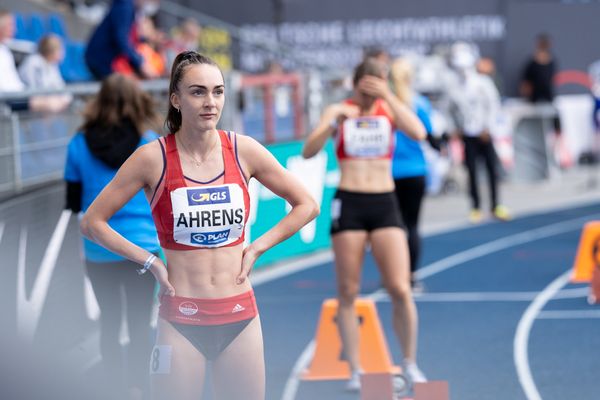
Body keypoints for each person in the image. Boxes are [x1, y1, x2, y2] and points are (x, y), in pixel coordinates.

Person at [80, 51, 319, 400]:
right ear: (175, 99)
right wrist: (151, 262)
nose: (211, 102)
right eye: (198, 92)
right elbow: (92, 223)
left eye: (218, 91)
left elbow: (307, 204)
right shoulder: (153, 157)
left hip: (240, 315)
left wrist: (257, 247)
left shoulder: (243, 150)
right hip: (181, 318)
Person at [302, 58, 427, 390]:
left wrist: (389, 96)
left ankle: (410, 363)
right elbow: (308, 151)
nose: (372, 92)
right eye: (367, 85)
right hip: (351, 202)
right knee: (348, 290)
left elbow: (419, 132)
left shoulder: (389, 108)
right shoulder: (338, 110)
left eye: (379, 84)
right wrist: (333, 124)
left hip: (385, 202)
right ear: (356, 84)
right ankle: (356, 369)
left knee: (400, 288)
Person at [64, 73, 163, 400]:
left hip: (99, 249)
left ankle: (110, 389)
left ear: (98, 101)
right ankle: (139, 387)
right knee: (139, 324)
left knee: (109, 321)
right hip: (142, 248)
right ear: (137, 100)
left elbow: (73, 203)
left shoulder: (78, 144)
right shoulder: (147, 141)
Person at [446, 41, 510, 223]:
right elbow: (449, 110)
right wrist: (455, 128)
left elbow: (494, 106)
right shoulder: (454, 87)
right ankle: (475, 207)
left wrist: (488, 127)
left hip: (485, 134)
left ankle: (496, 205)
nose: (462, 71)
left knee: (492, 170)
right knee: (472, 171)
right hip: (468, 134)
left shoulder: (483, 82)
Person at [389, 57, 435, 292]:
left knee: (393, 228)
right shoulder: (419, 103)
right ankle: (412, 276)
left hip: (389, 173)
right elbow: (428, 133)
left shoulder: (385, 104)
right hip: (415, 170)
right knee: (413, 225)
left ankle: (395, 277)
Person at [84, 0, 160, 80]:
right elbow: (121, 39)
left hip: (103, 59)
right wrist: (140, 63)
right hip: (102, 60)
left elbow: (127, 38)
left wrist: (146, 40)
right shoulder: (125, 6)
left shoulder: (129, 7)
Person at [18, 34, 72, 113]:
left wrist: (62, 100)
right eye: (60, 49)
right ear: (50, 50)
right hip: (28, 101)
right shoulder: (33, 62)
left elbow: (61, 88)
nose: (62, 53)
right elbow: (34, 89)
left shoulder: (52, 65)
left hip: (47, 101)